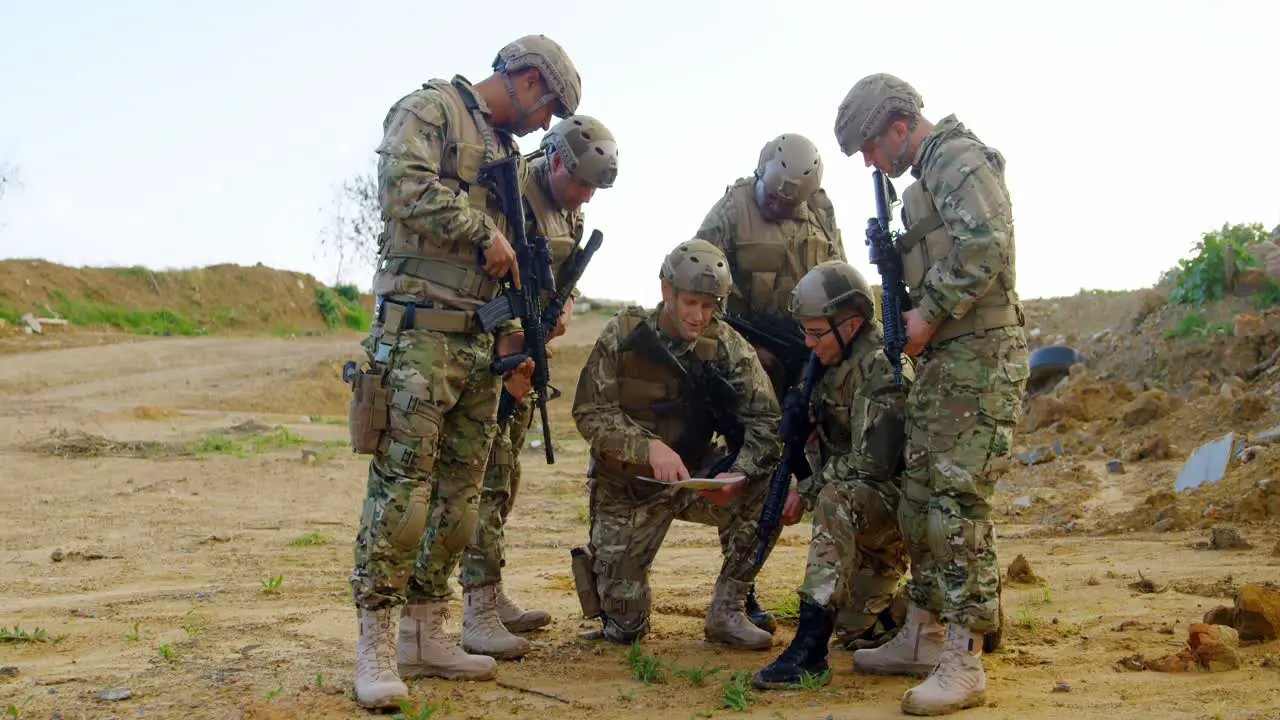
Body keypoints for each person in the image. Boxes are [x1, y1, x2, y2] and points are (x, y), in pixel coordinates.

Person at [343, 35, 581, 710]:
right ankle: (378, 643)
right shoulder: (429, 110)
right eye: (549, 108)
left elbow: (514, 260)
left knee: (459, 503)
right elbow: (402, 190)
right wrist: (482, 231)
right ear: (529, 80)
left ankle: (427, 632)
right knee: (402, 500)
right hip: (418, 340)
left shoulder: (505, 150)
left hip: (480, 346)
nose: (545, 124)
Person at [833, 73, 1028, 715]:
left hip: (978, 359)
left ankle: (964, 659)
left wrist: (929, 311)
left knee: (954, 507)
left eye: (869, 146)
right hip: (949, 360)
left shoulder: (955, 157)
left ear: (897, 126)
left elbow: (986, 245)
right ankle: (923, 631)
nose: (870, 162)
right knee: (920, 498)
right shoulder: (926, 176)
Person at [413, 114, 620, 661]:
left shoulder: (568, 211)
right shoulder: (507, 189)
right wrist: (508, 342)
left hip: (527, 351)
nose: (585, 199)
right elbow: (477, 275)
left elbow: (557, 274)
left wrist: (560, 309)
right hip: (488, 353)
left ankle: (490, 590)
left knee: (504, 480)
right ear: (556, 162)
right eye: (581, 185)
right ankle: (474, 610)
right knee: (479, 481)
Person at [569, 239, 801, 648]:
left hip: (696, 476)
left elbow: (766, 420)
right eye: (691, 303)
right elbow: (591, 413)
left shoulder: (727, 344)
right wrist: (648, 448)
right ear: (666, 291)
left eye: (709, 306)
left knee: (772, 489)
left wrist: (740, 470)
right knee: (625, 629)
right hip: (630, 488)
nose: (699, 317)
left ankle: (728, 609)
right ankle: (622, 611)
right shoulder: (624, 334)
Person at [693, 132, 847, 633]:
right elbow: (698, 287)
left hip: (807, 353)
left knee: (828, 462)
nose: (781, 206)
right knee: (755, 465)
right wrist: (740, 354)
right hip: (749, 357)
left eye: (790, 201)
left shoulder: (821, 212)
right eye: (774, 197)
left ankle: (842, 591)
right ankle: (742, 588)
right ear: (760, 175)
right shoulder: (730, 209)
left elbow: (840, 278)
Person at [749, 260, 914, 690]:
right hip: (864, 517)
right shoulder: (827, 363)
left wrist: (807, 488)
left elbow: (872, 463)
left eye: (816, 333)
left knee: (834, 496)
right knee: (857, 632)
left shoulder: (883, 366)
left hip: (898, 510)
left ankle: (809, 647)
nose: (808, 342)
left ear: (853, 322)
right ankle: (944, 609)